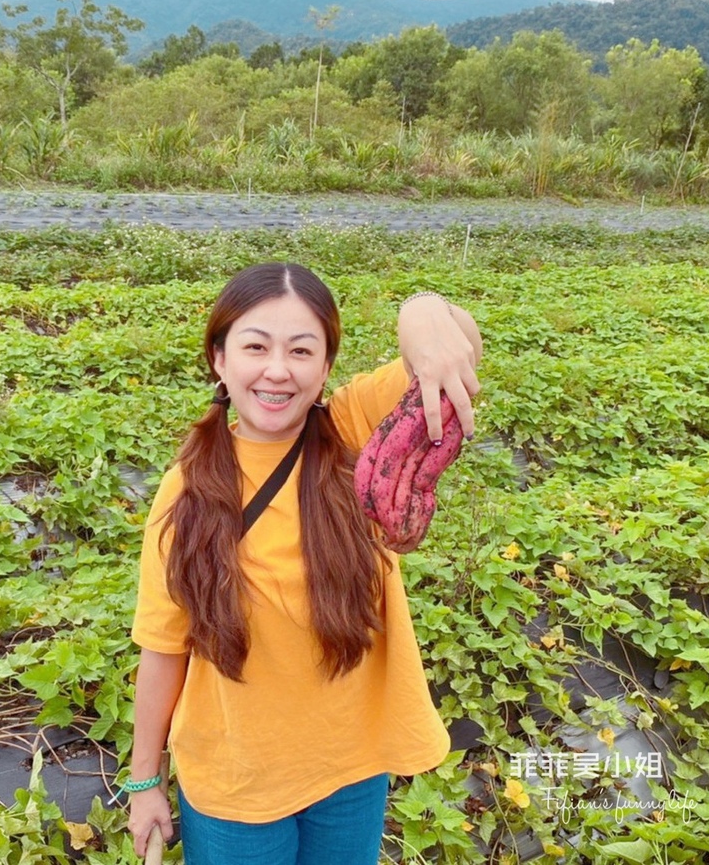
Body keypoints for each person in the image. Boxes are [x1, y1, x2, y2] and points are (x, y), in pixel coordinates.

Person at [126, 262, 482, 865]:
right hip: (234, 784)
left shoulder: (352, 431)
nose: (277, 370)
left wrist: (421, 307)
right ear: (219, 359)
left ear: (324, 370)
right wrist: (144, 784)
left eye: (301, 350)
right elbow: (164, 648)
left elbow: (461, 343)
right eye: (255, 346)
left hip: (350, 769)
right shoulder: (186, 489)